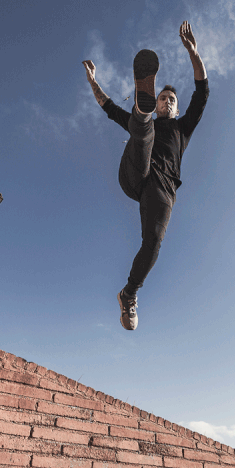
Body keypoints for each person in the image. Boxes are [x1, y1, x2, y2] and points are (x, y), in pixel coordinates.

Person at [83, 21, 208, 330]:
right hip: (134, 172)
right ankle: (140, 113)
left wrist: (194, 53)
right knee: (142, 130)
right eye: (162, 97)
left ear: (176, 110)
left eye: (170, 100)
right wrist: (92, 82)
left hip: (162, 189)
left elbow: (202, 93)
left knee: (153, 242)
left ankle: (128, 294)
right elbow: (108, 106)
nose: (166, 101)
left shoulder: (182, 127)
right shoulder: (154, 118)